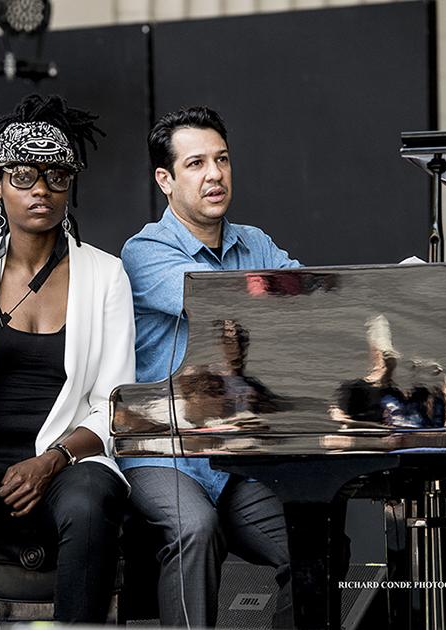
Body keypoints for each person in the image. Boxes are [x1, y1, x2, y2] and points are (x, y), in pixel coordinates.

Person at [0, 94, 136, 629]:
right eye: (22, 175)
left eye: (56, 176)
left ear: (71, 186)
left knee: (90, 507)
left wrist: (51, 462)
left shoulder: (106, 275)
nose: (41, 188)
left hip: (68, 459)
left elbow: (113, 405)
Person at [119, 106, 301, 628]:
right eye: (195, 163)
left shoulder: (256, 242)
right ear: (166, 180)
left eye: (221, 159)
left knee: (313, 536)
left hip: (234, 456)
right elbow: (221, 303)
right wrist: (288, 298)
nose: (214, 174)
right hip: (162, 450)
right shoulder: (144, 252)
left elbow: (305, 300)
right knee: (194, 529)